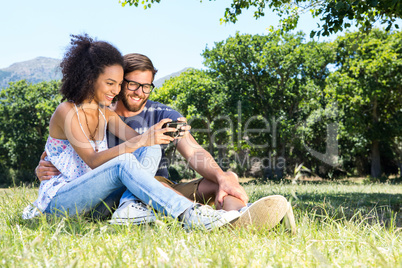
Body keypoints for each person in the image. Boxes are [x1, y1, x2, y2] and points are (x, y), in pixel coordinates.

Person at [36, 52, 296, 232]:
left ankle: (241, 218)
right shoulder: (100, 109)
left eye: (147, 86)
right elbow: (67, 152)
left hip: (163, 185)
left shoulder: (161, 114)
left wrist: (222, 175)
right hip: (119, 190)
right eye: (131, 84)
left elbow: (193, 150)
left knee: (222, 177)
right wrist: (43, 166)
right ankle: (203, 217)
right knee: (135, 159)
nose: (140, 92)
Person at [23, 34, 242, 231]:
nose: (116, 90)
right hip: (63, 202)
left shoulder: (105, 114)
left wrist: (157, 135)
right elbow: (92, 160)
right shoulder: (66, 111)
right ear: (89, 78)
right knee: (126, 159)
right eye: (112, 83)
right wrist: (144, 139)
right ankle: (190, 214)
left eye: (118, 84)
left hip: (98, 204)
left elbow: (142, 142)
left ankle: (130, 208)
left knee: (151, 146)